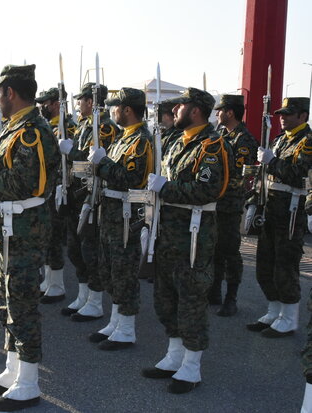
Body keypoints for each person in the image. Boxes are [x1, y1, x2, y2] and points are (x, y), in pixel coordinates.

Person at [0, 64, 60, 411]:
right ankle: (12, 369)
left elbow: (25, 185)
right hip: (8, 229)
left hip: (25, 230)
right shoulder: (14, 128)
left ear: (10, 92)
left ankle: (30, 380)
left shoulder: (32, 132)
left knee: (22, 305)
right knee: (6, 301)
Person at [142, 88, 231, 394]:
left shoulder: (210, 146)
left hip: (193, 236)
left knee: (191, 300)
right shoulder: (177, 143)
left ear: (195, 110)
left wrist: (166, 187)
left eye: (180, 105)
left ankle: (192, 366)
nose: (175, 109)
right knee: (166, 298)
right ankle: (174, 355)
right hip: (168, 232)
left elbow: (207, 191)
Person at [87, 87, 152, 350]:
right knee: (110, 269)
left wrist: (103, 164)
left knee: (124, 272)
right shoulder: (123, 138)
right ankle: (115, 322)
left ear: (127, 109)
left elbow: (131, 179)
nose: (112, 110)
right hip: (112, 212)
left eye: (115, 106)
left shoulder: (141, 141)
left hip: (126, 215)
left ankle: (126, 329)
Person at [247, 97, 312, 338]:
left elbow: (299, 175)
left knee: (285, 266)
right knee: (265, 264)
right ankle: (274, 311)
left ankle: (290, 318)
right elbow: (268, 176)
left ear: (303, 116)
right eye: (281, 114)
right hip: (272, 209)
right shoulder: (279, 140)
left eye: (289, 113)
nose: (282, 117)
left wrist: (272, 161)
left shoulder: (307, 142)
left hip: (291, 212)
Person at [58, 82, 119, 321]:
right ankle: (83, 295)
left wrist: (71, 152)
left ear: (91, 101)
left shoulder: (104, 127)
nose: (78, 104)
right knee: (75, 249)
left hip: (91, 197)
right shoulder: (84, 124)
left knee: (90, 250)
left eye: (81, 100)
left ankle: (95, 301)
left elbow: (93, 161)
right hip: (76, 194)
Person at [208, 94, 258, 316]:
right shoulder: (219, 134)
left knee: (229, 251)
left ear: (230, 112)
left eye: (220, 110)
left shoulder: (244, 140)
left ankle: (231, 297)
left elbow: (237, 172)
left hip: (230, 203)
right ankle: (214, 290)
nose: (217, 114)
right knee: (214, 249)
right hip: (215, 201)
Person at [35, 86, 76, 303]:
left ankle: (57, 284)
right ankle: (49, 280)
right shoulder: (47, 126)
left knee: (55, 237)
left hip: (61, 189)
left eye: (45, 103)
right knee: (47, 237)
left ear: (56, 104)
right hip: (48, 189)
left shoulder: (67, 127)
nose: (42, 107)